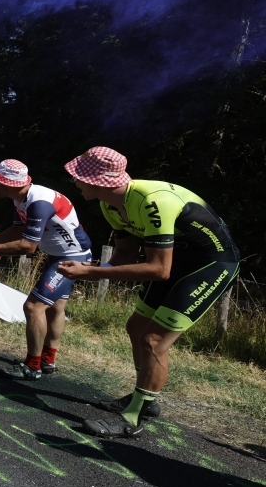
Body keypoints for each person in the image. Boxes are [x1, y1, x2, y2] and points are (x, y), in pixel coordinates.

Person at [57, 147, 240, 438]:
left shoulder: (153, 201)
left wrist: (91, 273)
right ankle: (145, 399)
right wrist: (90, 269)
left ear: (99, 181)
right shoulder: (109, 204)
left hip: (211, 264)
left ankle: (133, 417)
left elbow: (158, 270)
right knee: (136, 327)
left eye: (78, 176)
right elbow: (126, 256)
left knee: (154, 340)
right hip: (176, 260)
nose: (74, 181)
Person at [0, 159, 93, 381]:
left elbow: (28, 246)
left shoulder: (38, 203)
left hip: (71, 258)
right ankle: (47, 361)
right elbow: (17, 230)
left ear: (7, 183)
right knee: (55, 308)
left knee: (33, 307)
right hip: (60, 255)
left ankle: (32, 366)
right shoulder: (21, 197)